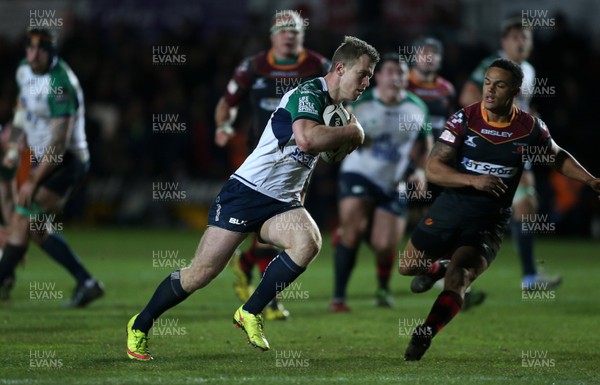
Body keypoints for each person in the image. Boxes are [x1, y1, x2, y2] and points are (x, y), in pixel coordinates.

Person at [126, 36, 379, 361]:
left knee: (308, 242)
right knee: (200, 274)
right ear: (341, 68)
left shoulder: (339, 111)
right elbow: (305, 140)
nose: (367, 82)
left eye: (370, 76)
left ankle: (250, 311)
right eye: (363, 74)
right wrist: (353, 134)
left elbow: (312, 158)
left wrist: (301, 191)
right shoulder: (308, 94)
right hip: (246, 193)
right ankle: (141, 323)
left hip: (281, 201)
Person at [399, 58, 599, 361]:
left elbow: (556, 157)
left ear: (515, 91)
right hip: (450, 209)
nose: (490, 90)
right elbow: (433, 168)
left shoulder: (530, 127)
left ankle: (426, 332)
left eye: (499, 85)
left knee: (461, 277)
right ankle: (437, 267)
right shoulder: (464, 119)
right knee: (407, 268)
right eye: (487, 83)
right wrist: (472, 180)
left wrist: (590, 179)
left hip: (488, 222)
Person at [214, 10, 330, 321]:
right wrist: (223, 126)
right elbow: (227, 102)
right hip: (261, 158)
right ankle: (266, 297)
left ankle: (250, 270)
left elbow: (338, 103)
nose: (289, 35)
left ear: (302, 35)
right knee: (271, 228)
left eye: (294, 30)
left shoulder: (318, 66)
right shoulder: (253, 66)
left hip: (299, 160)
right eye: (283, 29)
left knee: (280, 230)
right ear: (272, 35)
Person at [0, 28, 104, 307]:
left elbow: (58, 143)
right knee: (34, 227)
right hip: (40, 159)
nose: (33, 55)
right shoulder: (24, 70)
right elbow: (22, 109)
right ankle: (87, 282)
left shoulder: (61, 84)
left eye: (40, 50)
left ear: (51, 52)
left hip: (66, 161)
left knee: (23, 219)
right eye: (29, 49)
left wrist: (32, 181)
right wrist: (13, 147)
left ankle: (2, 278)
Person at [459, 18, 561, 291]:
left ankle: (529, 277)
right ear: (503, 42)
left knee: (527, 205)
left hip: (516, 149)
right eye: (515, 36)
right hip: (489, 147)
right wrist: (494, 125)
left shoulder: (528, 69)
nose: (521, 42)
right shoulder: (492, 66)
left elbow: (524, 106)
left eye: (526, 37)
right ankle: (448, 270)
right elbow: (467, 95)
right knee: (476, 213)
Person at [329, 53, 431, 312]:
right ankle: (338, 298)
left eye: (401, 72)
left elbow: (424, 144)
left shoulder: (417, 108)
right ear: (379, 76)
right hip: (358, 173)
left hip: (393, 181)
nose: (396, 76)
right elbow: (338, 129)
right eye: (391, 71)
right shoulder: (360, 104)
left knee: (385, 245)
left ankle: (383, 289)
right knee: (353, 232)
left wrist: (420, 171)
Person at [407, 37, 485, 309]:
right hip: (406, 169)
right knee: (384, 228)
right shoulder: (403, 86)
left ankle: (449, 279)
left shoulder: (446, 89)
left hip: (440, 166)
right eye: (424, 54)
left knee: (446, 225)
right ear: (414, 57)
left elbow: (458, 124)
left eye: (434, 55)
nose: (428, 59)